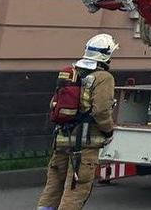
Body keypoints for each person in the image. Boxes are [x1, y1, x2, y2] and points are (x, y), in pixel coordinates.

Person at [37, 33, 118, 210]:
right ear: (107, 54)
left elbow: (54, 104)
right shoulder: (103, 77)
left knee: (53, 187)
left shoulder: (71, 74)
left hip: (61, 140)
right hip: (84, 145)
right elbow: (101, 110)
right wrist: (109, 131)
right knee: (75, 189)